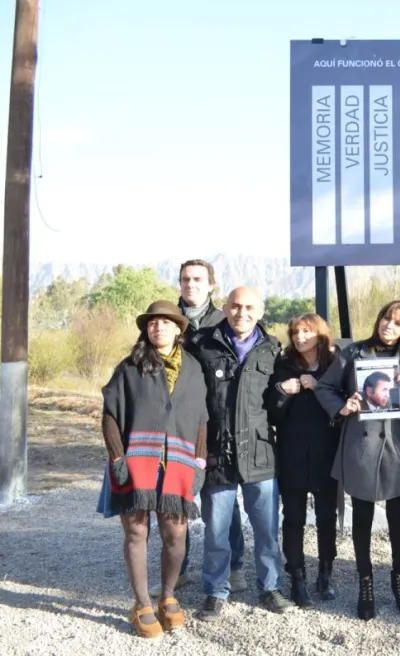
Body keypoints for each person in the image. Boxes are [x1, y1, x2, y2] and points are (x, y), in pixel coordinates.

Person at [100, 301, 208, 638]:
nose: (158, 327)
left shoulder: (193, 368)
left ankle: (169, 596)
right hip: (136, 462)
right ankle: (142, 603)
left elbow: (202, 420)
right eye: (152, 323)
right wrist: (118, 458)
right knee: (136, 532)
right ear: (146, 329)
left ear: (178, 329)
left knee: (175, 534)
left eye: (166, 322)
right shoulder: (130, 367)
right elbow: (110, 416)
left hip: (178, 463)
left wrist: (200, 461)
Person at [187, 286, 294, 621]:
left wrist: (284, 393)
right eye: (235, 306)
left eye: (249, 307)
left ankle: (270, 587)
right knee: (216, 529)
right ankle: (215, 590)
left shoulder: (272, 349)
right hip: (217, 451)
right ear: (224, 307)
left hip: (260, 452)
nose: (241, 313)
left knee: (265, 528)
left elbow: (277, 410)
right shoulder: (202, 344)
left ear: (260, 311)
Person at [315, 300, 400, 621]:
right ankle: (366, 585)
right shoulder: (353, 354)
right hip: (360, 447)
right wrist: (343, 406)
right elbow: (325, 386)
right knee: (361, 519)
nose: (389, 326)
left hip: (397, 447)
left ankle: (399, 582)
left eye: (397, 323)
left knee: (397, 522)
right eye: (385, 319)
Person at [148, 258, 246, 598]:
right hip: (175, 426)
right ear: (179, 284)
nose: (191, 284)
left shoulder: (226, 321)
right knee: (176, 497)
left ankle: (234, 566)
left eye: (198, 279)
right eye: (186, 279)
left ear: (211, 285)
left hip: (217, 425)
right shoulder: (166, 321)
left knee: (222, 499)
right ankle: (182, 565)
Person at [268, 313, 341, 608]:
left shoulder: (335, 366)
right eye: (296, 332)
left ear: (321, 335)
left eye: (307, 332)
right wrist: (282, 393)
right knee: (294, 518)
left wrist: (319, 384)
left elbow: (344, 403)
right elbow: (271, 413)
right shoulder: (283, 365)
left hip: (327, 453)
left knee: (326, 517)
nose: (300, 337)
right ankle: (297, 577)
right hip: (292, 454)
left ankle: (326, 572)